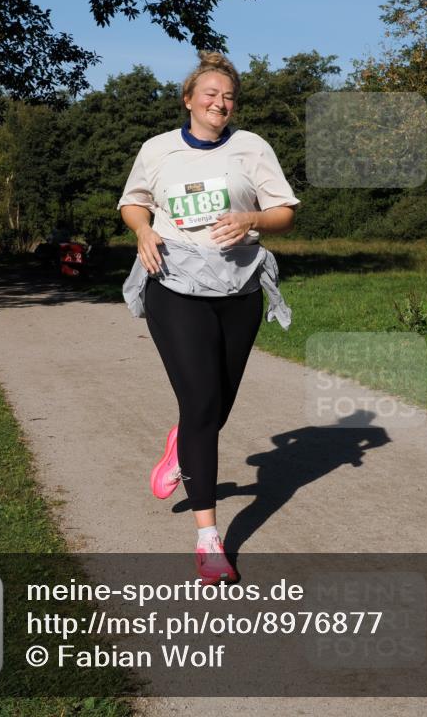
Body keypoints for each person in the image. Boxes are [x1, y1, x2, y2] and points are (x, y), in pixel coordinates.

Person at [117, 50, 300, 584]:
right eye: (211, 94)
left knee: (216, 404)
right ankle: (208, 540)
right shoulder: (158, 149)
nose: (220, 103)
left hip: (238, 287)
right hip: (173, 282)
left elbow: (285, 213)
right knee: (199, 402)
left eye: (229, 97)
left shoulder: (252, 148)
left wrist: (251, 218)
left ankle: (182, 447)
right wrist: (143, 229)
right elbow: (133, 202)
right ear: (189, 100)